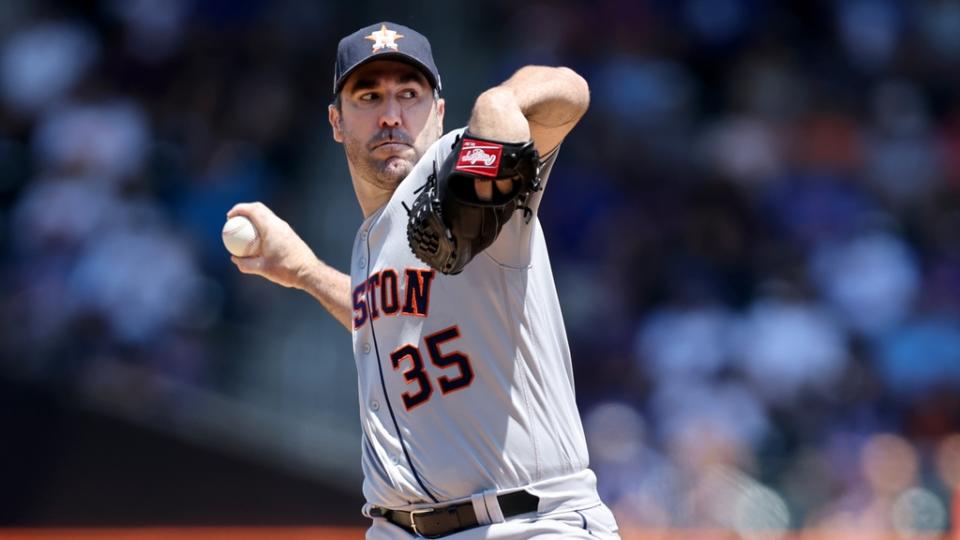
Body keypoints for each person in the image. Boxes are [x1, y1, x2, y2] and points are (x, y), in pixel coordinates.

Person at [227, 21, 620, 539]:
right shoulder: (371, 239)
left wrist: (502, 100)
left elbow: (569, 93)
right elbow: (396, 326)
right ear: (336, 122)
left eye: (409, 95)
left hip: (525, 523)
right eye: (368, 96)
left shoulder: (463, 167)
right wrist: (304, 272)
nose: (391, 116)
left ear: (437, 111)